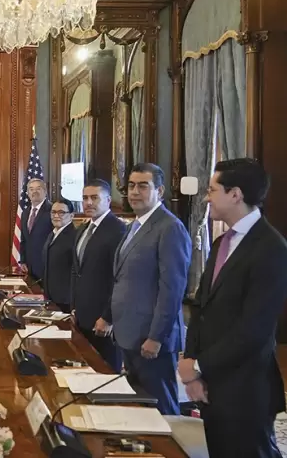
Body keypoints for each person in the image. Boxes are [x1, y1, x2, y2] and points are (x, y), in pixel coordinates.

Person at [179, 158, 287, 458]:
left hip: (245, 388)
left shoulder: (271, 249)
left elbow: (253, 331)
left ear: (236, 195)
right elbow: (200, 307)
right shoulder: (221, 243)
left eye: (212, 190)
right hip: (211, 383)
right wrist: (193, 366)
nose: (206, 197)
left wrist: (199, 366)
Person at [111, 162, 191, 416]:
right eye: (131, 186)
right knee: (139, 405)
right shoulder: (134, 225)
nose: (134, 192)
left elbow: (172, 289)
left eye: (143, 186)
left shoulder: (170, 227)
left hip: (151, 339)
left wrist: (156, 337)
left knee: (162, 406)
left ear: (160, 190)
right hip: (129, 333)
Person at [71, 179, 126, 369]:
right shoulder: (83, 229)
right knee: (86, 370)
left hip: (104, 320)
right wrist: (74, 306)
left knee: (106, 374)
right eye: (85, 198)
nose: (88, 203)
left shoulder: (118, 230)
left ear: (108, 200)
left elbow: (119, 279)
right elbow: (78, 271)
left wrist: (108, 317)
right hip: (82, 315)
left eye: (94, 198)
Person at [41, 199, 77, 313]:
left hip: (65, 300)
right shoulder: (52, 234)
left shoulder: (74, 237)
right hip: (50, 296)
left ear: (71, 216)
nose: (56, 216)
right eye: (53, 212)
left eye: (61, 212)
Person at [18, 178, 51, 280]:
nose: (34, 192)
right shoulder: (25, 213)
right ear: (27, 193)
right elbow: (24, 240)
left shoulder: (52, 211)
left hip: (46, 267)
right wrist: (23, 261)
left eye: (38, 188)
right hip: (29, 268)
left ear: (45, 191)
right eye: (31, 189)